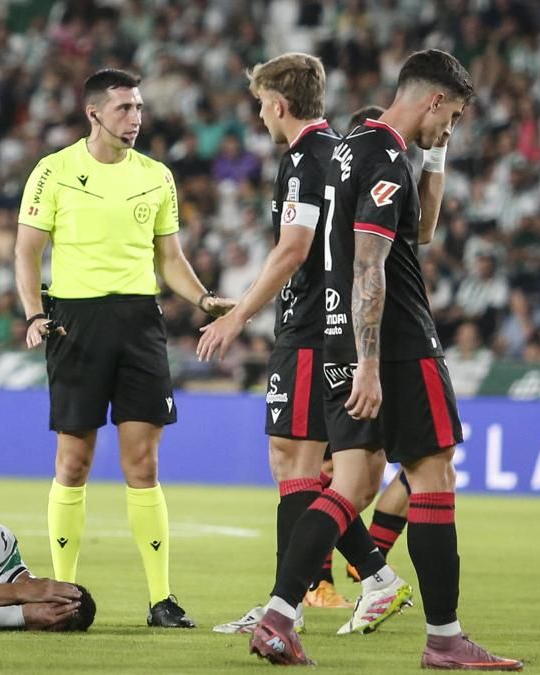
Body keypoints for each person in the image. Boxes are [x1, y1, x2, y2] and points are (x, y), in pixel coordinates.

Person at [250, 50, 521, 669]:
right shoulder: (385, 159)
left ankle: (278, 617)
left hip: (338, 340)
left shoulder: (353, 145)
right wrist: (371, 365)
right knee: (433, 474)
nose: (451, 127)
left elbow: (417, 229)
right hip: (394, 343)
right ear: (433, 99)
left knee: (353, 483)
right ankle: (446, 640)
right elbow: (372, 265)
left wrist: (437, 155)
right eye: (451, 114)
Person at [198, 56, 413, 637]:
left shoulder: (305, 160)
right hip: (320, 326)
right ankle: (369, 577)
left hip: (313, 332)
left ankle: (285, 602)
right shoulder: (333, 155)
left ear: (277, 103)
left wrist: (240, 315)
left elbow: (294, 249)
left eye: (260, 103)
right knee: (294, 464)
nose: (259, 114)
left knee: (296, 464)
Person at [14, 68, 232, 628]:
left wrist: (204, 301)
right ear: (94, 114)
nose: (135, 119)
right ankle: (62, 596)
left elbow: (169, 260)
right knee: (74, 461)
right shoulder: (53, 172)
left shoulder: (157, 176)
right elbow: (26, 253)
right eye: (123, 109)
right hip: (74, 323)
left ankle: (161, 599)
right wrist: (35, 314)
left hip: (140, 323)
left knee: (143, 463)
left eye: (138, 108)